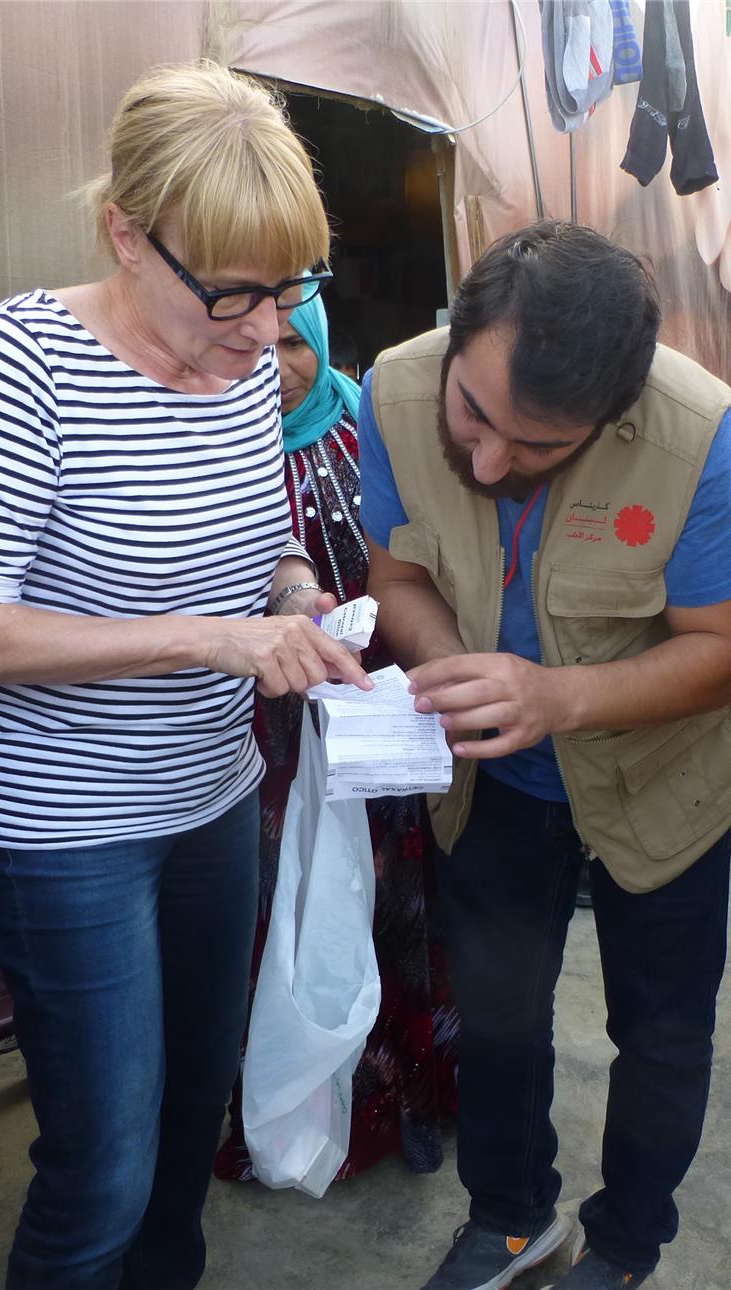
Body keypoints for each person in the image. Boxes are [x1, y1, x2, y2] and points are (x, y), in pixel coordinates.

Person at [0, 61, 369, 1290]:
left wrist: (293, 599)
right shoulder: (21, 365)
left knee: (180, 1136)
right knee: (98, 1169)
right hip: (68, 830)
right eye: (232, 293)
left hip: (211, 806)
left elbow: (245, 537)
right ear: (126, 234)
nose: (267, 331)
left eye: (289, 291)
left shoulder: (247, 365)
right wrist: (209, 637)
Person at [361, 221, 731, 1290]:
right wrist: (457, 671)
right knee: (494, 1015)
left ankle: (627, 1243)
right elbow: (397, 575)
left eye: (535, 447)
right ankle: (509, 1219)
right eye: (473, 414)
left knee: (662, 1033)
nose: (487, 461)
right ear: (456, 339)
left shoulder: (701, 436)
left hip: (661, 782)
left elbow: (723, 654)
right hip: (494, 780)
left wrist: (555, 696)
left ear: (612, 413)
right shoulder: (395, 395)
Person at [213, 293, 459, 1183]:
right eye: (258, 343)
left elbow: (419, 567)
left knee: (390, 909)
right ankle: (284, 1102)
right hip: (260, 745)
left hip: (369, 723)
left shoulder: (368, 434)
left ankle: (406, 1096)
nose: (274, 364)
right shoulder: (213, 443)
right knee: (277, 917)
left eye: (293, 344)